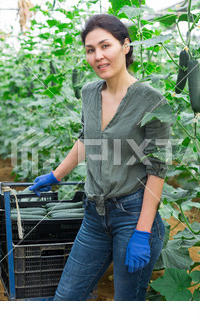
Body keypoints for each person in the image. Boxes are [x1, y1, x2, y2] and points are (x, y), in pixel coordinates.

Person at [29, 13, 171, 301]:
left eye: (105, 46)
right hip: (94, 215)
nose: (98, 56)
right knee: (66, 299)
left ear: (126, 46)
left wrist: (142, 233)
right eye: (90, 50)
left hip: (133, 217)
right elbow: (86, 140)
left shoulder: (152, 100)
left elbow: (157, 169)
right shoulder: (90, 92)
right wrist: (56, 175)